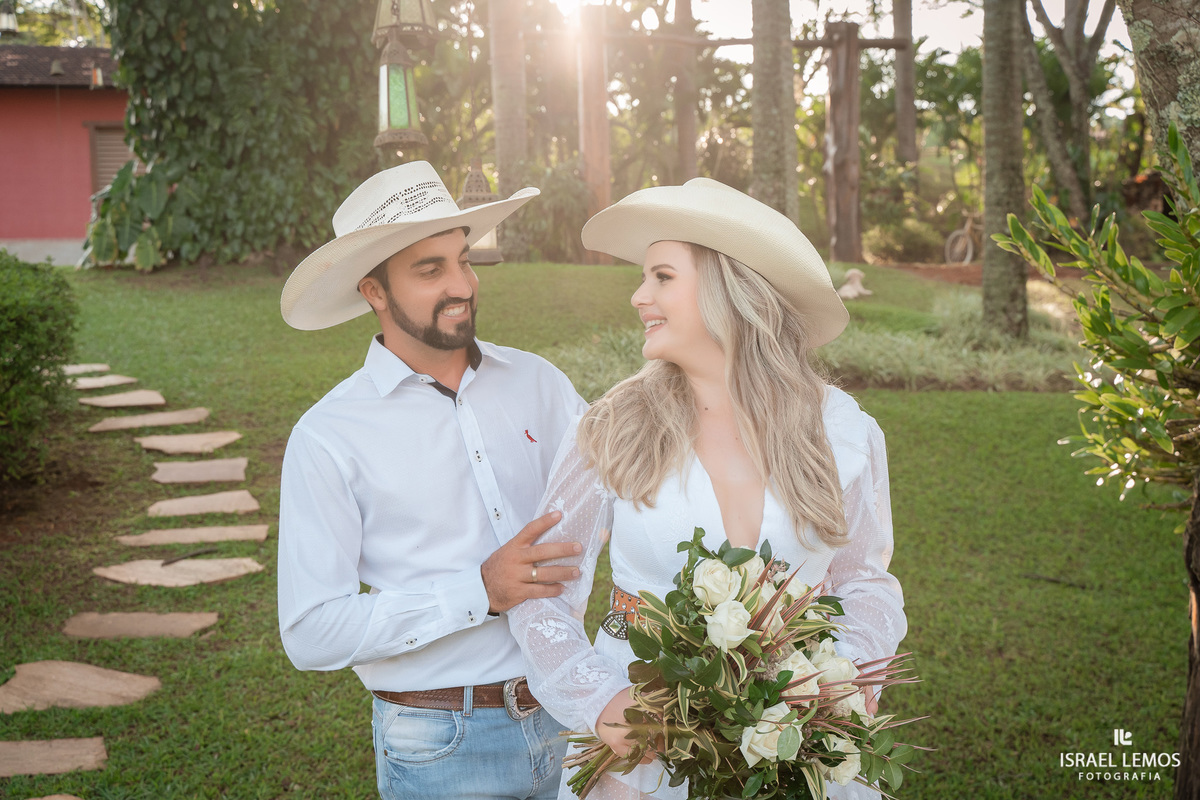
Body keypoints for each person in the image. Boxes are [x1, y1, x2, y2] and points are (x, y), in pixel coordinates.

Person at [506, 178, 907, 800]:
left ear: (728, 290)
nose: (639, 296)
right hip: (642, 747)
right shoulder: (611, 427)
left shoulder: (843, 431)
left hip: (793, 742)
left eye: (662, 276)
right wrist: (601, 698)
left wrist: (839, 677)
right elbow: (540, 588)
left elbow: (864, 579)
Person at [276, 161, 589, 800]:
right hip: (439, 742)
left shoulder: (540, 383)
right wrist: (478, 590)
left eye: (463, 260)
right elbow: (311, 630)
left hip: (572, 715)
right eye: (430, 270)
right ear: (374, 292)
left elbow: (620, 493)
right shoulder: (328, 435)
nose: (461, 285)